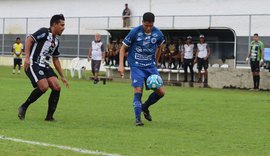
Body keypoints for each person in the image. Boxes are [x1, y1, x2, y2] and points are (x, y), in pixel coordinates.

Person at [18, 14, 69, 121]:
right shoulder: (44, 32)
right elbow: (29, 40)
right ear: (54, 24)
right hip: (33, 63)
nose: (63, 28)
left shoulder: (56, 41)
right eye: (62, 25)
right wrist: (27, 57)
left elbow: (55, 59)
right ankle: (24, 106)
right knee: (44, 86)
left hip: (45, 66)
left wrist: (62, 76)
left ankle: (49, 117)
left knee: (56, 87)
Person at [118, 12, 165, 126]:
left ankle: (145, 107)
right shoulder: (135, 32)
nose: (148, 28)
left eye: (151, 26)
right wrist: (121, 65)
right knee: (138, 90)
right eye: (146, 25)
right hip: (137, 65)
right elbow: (122, 48)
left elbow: (160, 47)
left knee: (161, 92)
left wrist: (156, 61)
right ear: (142, 22)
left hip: (150, 66)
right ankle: (138, 119)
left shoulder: (158, 33)